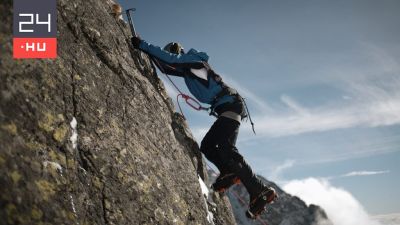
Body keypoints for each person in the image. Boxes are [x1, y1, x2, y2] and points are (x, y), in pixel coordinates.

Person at [131, 37, 277, 218]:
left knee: (226, 147)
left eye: (172, 53)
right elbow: (165, 66)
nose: (173, 57)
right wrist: (147, 53)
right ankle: (229, 172)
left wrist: (142, 44)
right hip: (228, 107)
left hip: (230, 106)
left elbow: (170, 60)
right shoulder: (188, 70)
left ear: (177, 52)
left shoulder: (194, 61)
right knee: (208, 146)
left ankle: (260, 190)